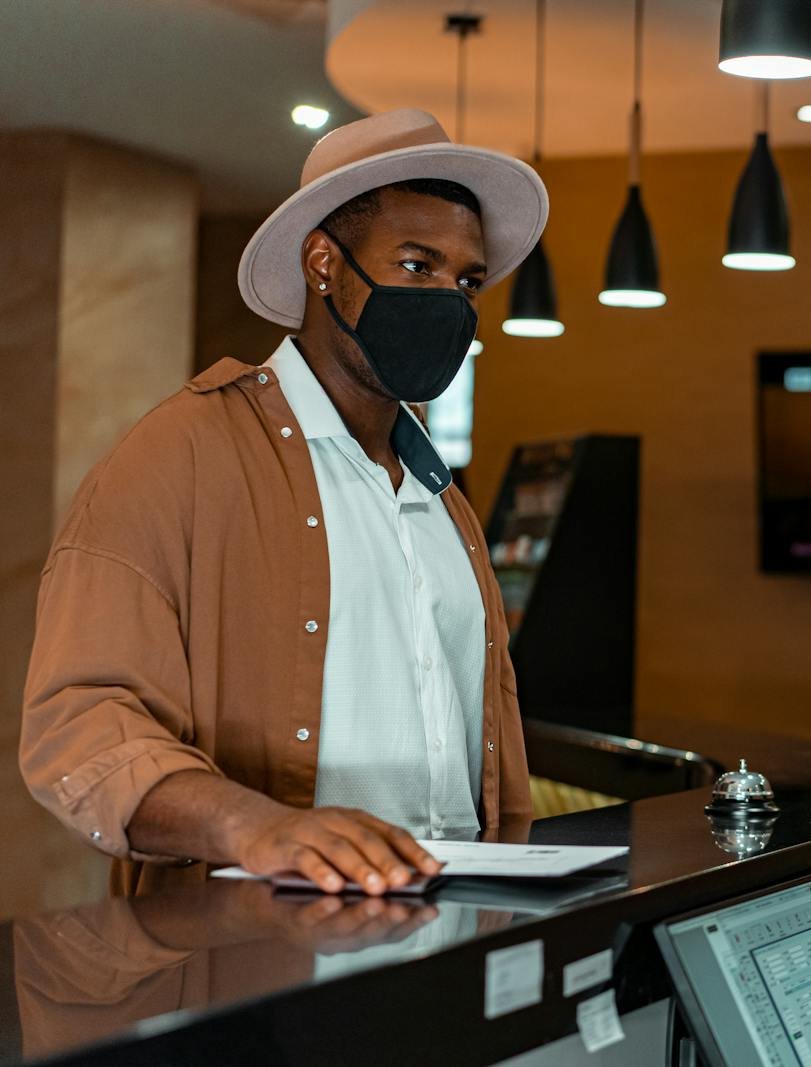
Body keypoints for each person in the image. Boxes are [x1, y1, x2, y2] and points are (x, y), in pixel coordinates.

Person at [20, 109, 548, 897]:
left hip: (450, 952)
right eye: (415, 265)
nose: (448, 299)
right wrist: (255, 824)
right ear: (323, 263)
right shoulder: (180, 454)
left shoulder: (446, 501)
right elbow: (78, 724)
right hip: (258, 965)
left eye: (466, 280)